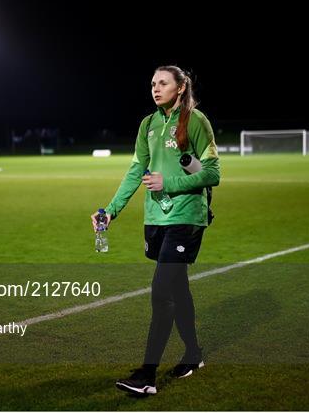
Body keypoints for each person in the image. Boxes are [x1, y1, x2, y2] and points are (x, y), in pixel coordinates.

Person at [90, 65, 220, 395]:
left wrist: (169, 182)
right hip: (156, 219)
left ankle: (147, 375)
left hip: (186, 218)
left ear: (179, 88)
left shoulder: (196, 121)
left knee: (161, 291)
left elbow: (213, 173)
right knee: (177, 290)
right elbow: (136, 170)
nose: (155, 88)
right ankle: (193, 356)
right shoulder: (148, 124)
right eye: (152, 83)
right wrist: (110, 211)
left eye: (162, 83)